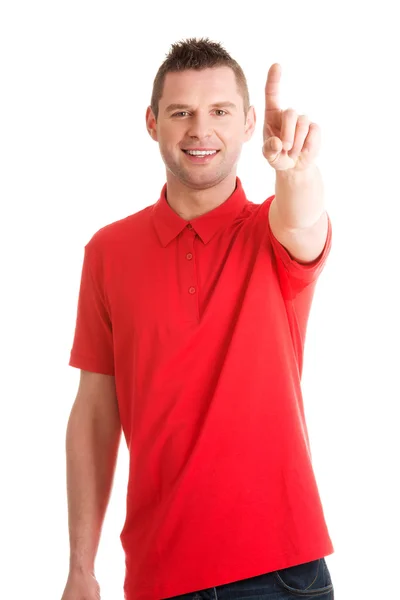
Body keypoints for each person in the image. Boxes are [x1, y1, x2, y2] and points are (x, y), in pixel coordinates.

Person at [62, 37, 335, 600]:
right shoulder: (108, 251)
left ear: (248, 122)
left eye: (220, 112)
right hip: (160, 574)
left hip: (280, 573)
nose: (199, 130)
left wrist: (298, 172)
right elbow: (95, 408)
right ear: (151, 122)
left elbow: (305, 224)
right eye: (180, 112)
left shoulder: (271, 230)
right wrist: (81, 567)